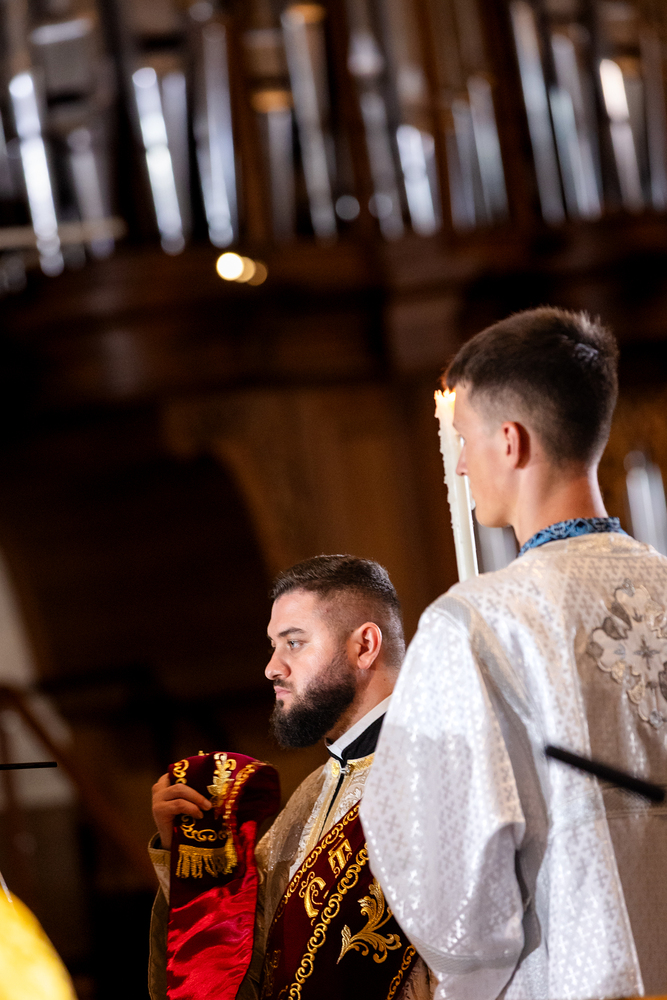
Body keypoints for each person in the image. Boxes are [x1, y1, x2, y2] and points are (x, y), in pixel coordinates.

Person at [361, 307, 667, 1000]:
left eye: (465, 438)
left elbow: (449, 887)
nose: (461, 463)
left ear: (509, 441)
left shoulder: (474, 624)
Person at [149, 554, 435, 1000]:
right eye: (273, 645)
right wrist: (186, 854)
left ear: (364, 646)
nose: (272, 667)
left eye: (294, 643)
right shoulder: (309, 796)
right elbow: (242, 971)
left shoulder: (440, 775)